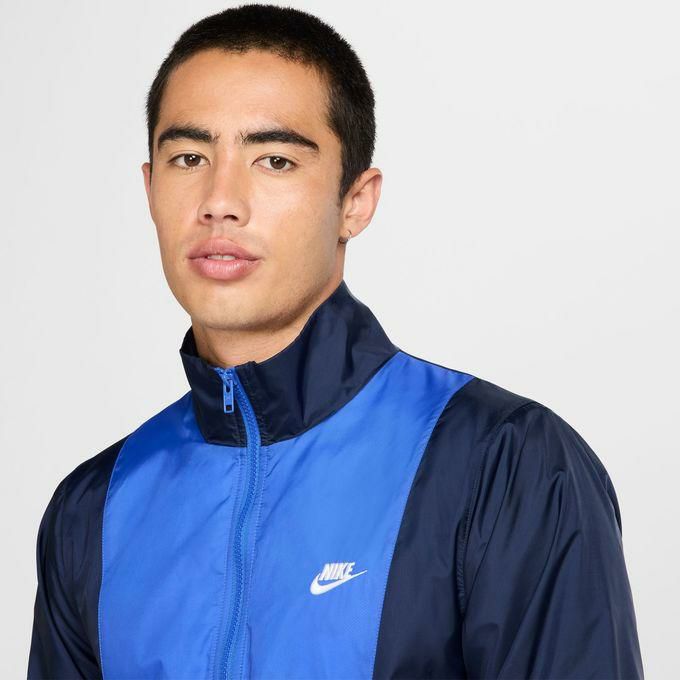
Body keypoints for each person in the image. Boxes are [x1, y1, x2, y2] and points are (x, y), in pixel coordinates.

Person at [27, 4, 644, 679]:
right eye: (189, 157)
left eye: (274, 160)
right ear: (150, 190)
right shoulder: (93, 510)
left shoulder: (506, 465)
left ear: (356, 201)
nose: (220, 199)